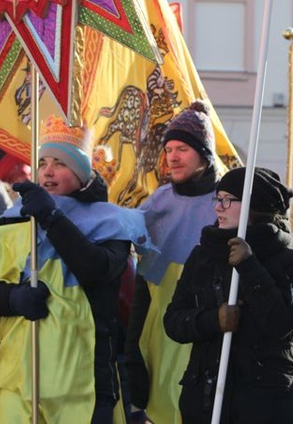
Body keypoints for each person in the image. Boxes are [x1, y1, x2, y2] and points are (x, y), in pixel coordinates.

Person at [0, 114, 153, 423]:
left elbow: (96, 271)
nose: (48, 171)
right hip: (20, 380)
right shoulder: (13, 222)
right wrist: (13, 299)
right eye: (43, 163)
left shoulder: (111, 223)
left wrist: (52, 219)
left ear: (81, 172)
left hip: (83, 382)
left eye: (60, 163)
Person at [164, 167, 293, 424]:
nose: (219, 207)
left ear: (255, 206)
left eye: (228, 199)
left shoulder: (289, 260)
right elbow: (173, 321)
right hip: (206, 403)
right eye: (218, 199)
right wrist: (212, 320)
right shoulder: (202, 255)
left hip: (264, 406)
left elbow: (282, 324)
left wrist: (250, 266)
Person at [124, 100, 220, 424]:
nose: (173, 157)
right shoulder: (157, 205)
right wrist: (133, 350)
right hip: (161, 339)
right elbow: (144, 284)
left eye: (182, 148)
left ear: (204, 154)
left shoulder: (228, 204)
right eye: (168, 149)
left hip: (207, 337)